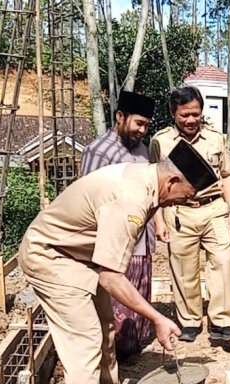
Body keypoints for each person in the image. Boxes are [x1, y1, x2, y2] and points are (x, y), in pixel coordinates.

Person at [18, 154, 218, 384]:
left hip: (79, 256)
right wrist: (157, 317)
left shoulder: (147, 179)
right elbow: (112, 276)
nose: (183, 202)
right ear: (172, 181)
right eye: (187, 195)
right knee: (83, 343)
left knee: (104, 324)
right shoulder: (131, 198)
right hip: (51, 257)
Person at [149, 86, 230, 343]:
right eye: (184, 115)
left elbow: (227, 174)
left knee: (222, 263)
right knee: (183, 268)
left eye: (195, 114)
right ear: (173, 114)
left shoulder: (215, 138)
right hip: (179, 211)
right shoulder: (161, 141)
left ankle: (221, 322)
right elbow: (154, 183)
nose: (190, 120)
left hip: (215, 210)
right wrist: (158, 220)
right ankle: (189, 320)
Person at [80, 91, 157, 357]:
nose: (142, 130)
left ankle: (129, 351)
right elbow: (88, 198)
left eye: (147, 125)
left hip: (141, 239)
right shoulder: (99, 152)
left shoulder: (143, 151)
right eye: (138, 123)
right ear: (120, 116)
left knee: (137, 298)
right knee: (114, 303)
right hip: (115, 244)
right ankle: (112, 360)